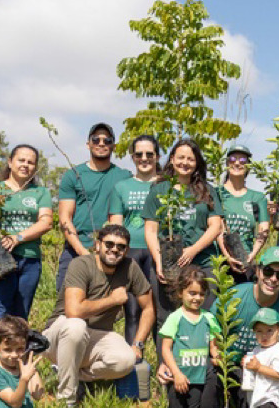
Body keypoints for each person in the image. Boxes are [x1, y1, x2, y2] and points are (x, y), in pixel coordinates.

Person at [41, 225, 153, 408]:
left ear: (126, 251)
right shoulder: (81, 265)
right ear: (97, 245)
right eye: (109, 244)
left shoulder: (130, 267)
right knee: (76, 326)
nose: (114, 249)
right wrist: (112, 300)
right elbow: (73, 311)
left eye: (121, 246)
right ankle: (67, 400)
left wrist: (138, 344)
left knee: (126, 360)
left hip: (97, 335)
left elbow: (148, 307)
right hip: (59, 335)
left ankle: (72, 373)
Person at [194, 247, 279, 408]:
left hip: (259, 369)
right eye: (268, 271)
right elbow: (211, 326)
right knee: (210, 375)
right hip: (226, 361)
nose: (273, 279)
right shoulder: (235, 297)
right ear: (258, 271)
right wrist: (216, 354)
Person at [0, 144, 52, 382]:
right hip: (0, 259)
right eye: (21, 160)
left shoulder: (40, 193)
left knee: (20, 317)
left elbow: (46, 223)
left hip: (29, 260)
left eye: (30, 162)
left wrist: (17, 238)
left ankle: (17, 371)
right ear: (10, 162)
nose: (25, 165)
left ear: (35, 167)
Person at [142, 139, 224, 325]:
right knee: (167, 320)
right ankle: (166, 355)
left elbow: (215, 226)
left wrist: (193, 250)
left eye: (190, 159)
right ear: (171, 159)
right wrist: (159, 262)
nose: (185, 163)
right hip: (170, 264)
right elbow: (151, 229)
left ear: (197, 163)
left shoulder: (207, 190)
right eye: (180, 158)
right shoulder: (159, 190)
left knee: (204, 317)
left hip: (202, 262)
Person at [56, 122, 132, 292]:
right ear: (88, 143)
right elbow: (65, 219)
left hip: (111, 253)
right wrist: (83, 252)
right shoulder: (73, 175)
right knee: (66, 307)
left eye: (107, 140)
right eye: (96, 139)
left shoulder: (124, 176)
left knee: (104, 309)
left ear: (113, 145)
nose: (101, 143)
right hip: (76, 249)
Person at [159, 266, 219, 408]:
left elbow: (213, 346)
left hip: (198, 378)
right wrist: (176, 374)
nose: (196, 298)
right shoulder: (175, 318)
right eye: (191, 293)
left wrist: (217, 357)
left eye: (201, 294)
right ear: (180, 293)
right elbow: (166, 348)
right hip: (179, 378)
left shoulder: (209, 318)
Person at [107, 135, 160, 345]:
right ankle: (134, 364)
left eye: (150, 154)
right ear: (133, 157)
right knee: (132, 311)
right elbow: (117, 226)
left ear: (157, 156)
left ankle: (162, 369)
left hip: (158, 252)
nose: (144, 158)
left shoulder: (167, 185)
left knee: (159, 310)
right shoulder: (122, 187)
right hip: (130, 254)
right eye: (139, 154)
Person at [215, 144, 269, 284]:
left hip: (246, 262)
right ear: (227, 163)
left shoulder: (258, 197)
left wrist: (252, 255)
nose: (237, 163)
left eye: (243, 160)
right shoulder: (217, 193)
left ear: (249, 166)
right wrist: (227, 256)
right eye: (233, 158)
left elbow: (264, 229)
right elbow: (217, 228)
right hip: (219, 262)